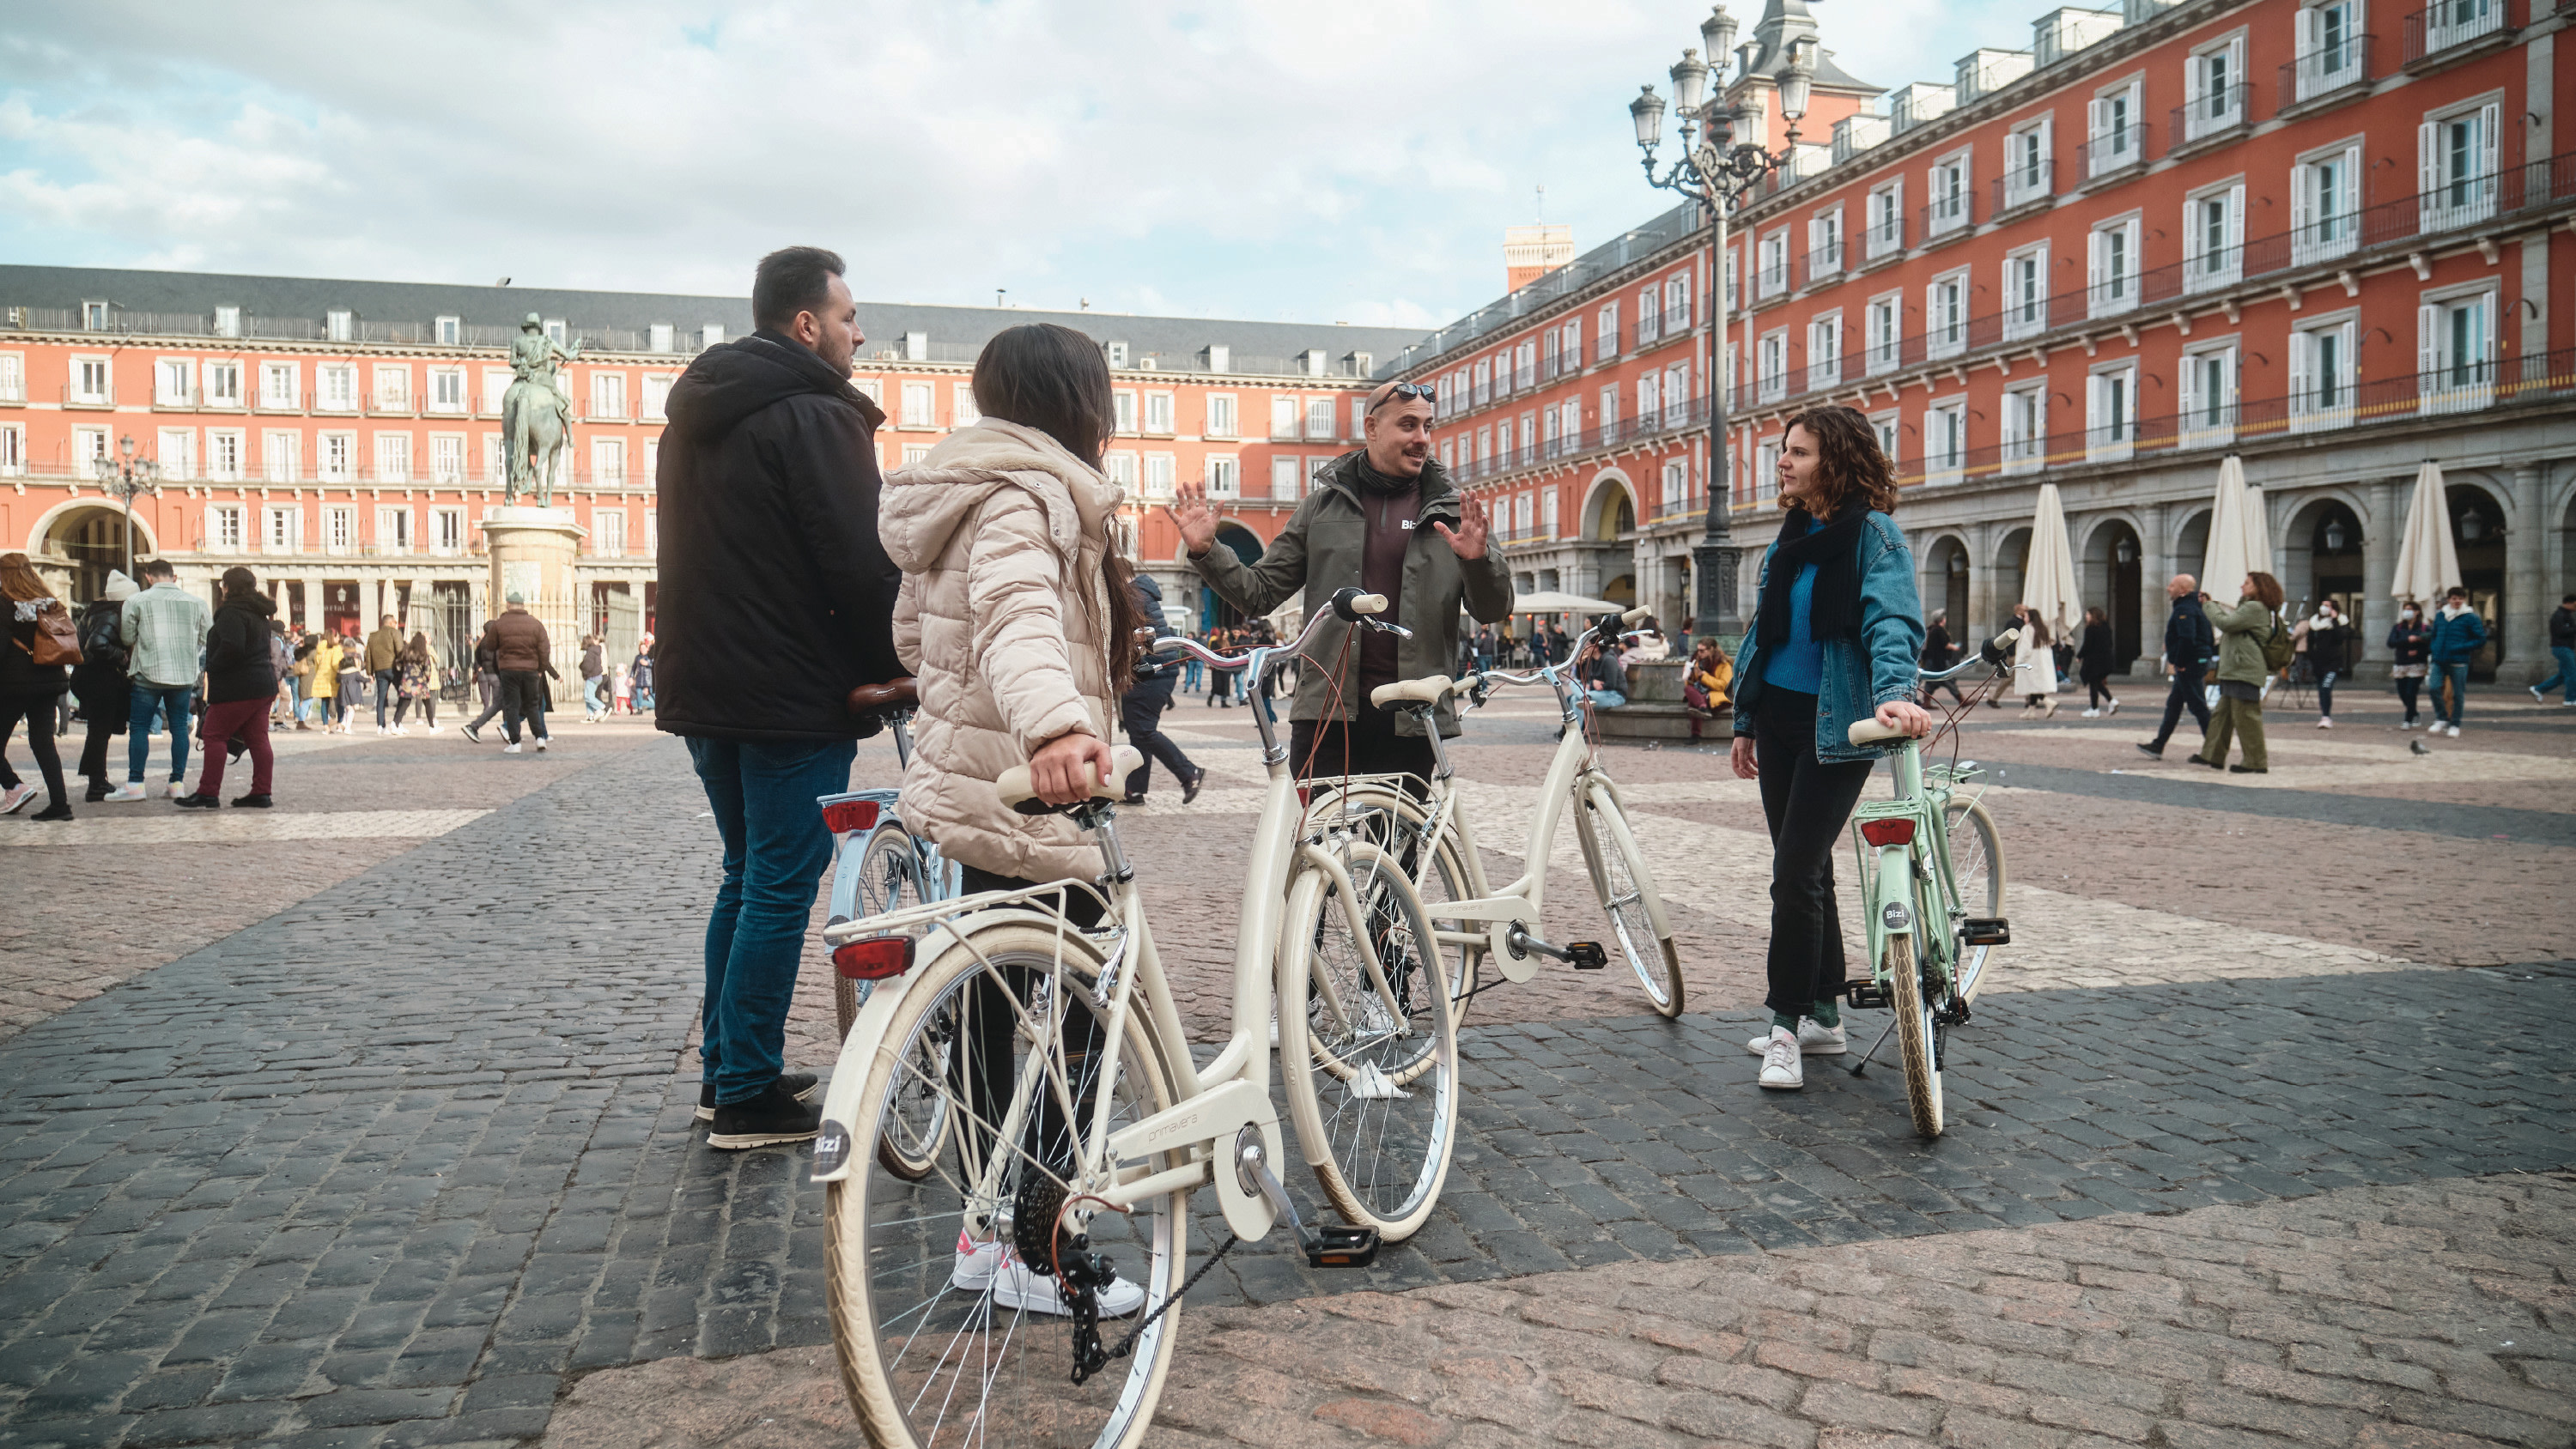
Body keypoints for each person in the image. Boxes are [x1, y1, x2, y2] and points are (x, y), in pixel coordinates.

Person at [878, 321, 1155, 1317]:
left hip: (976, 786)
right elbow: (1016, 614)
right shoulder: (1028, 493)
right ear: (1078, 402)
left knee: (998, 1014)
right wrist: (1052, 723)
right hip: (1030, 789)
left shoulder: (962, 486)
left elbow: (919, 631)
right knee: (1079, 1017)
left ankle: (984, 1231)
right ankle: (1041, 1244)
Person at [656, 246, 904, 1149]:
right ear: (806, 323)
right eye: (847, 316)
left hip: (708, 684)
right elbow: (858, 559)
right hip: (791, 688)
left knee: (745, 872)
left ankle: (730, 1066)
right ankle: (749, 1092)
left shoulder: (697, 414)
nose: (857, 331)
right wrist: (898, 656)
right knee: (778, 883)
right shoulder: (814, 414)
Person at [1727, 407, 1928, 1093]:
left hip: (1838, 725)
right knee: (1807, 871)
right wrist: (1746, 720)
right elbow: (1767, 637)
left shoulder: (1875, 538)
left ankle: (1784, 1025)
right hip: (1780, 719)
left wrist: (1897, 690)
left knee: (1793, 870)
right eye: (1785, 451)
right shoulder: (1790, 537)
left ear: (1836, 460)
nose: (1784, 461)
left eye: (1800, 452)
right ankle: (1822, 1014)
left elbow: (1891, 620)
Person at [1172, 378, 1509, 783]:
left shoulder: (1456, 513)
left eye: (1428, 426)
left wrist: (1478, 561)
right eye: (1408, 425)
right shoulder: (1320, 507)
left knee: (1395, 844)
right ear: (1371, 428)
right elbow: (1258, 594)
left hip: (1412, 713)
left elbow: (1493, 609)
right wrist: (1208, 551)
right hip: (1326, 712)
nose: (1422, 438)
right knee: (1313, 840)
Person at [106, 558, 210, 802]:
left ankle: (136, 783)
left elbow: (127, 635)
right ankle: (176, 783)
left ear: (148, 577)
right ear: (174, 577)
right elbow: (208, 636)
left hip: (147, 673)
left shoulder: (136, 601)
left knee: (140, 728)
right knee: (179, 729)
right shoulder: (197, 603)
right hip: (183, 675)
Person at [179, 567, 278, 809]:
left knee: (214, 734)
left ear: (227, 587)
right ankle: (261, 791)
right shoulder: (258, 613)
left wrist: (212, 666)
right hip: (263, 683)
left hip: (238, 685)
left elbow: (233, 646)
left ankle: (208, 792)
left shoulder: (232, 612)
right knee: (258, 739)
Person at [1118, 568, 1206, 804]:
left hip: (1150, 672)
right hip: (1156, 671)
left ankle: (1189, 772)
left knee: (1143, 730)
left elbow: (1128, 636)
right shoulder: (1141, 593)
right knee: (1139, 732)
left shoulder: (1133, 596)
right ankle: (1134, 790)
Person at [0, 553, 77, 821]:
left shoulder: (5, 604)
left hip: (14, 684)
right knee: (44, 744)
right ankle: (60, 805)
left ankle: (14, 786)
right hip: (49, 681)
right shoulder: (50, 603)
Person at [2193, 572, 2283, 773]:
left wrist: (2209, 605)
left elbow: (2226, 623)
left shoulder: (2255, 607)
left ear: (2259, 587)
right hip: (2236, 669)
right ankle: (2213, 755)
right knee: (2222, 715)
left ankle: (2256, 761)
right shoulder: (2251, 607)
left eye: (2247, 583)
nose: (2242, 586)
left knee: (2246, 717)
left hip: (2244, 669)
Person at [71, 571, 137, 801]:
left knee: (98, 731)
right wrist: (121, 656)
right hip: (101, 678)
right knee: (99, 732)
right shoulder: (111, 614)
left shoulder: (96, 611)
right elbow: (98, 644)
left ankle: (97, 780)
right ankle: (96, 783)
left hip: (90, 676)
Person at [2136, 573, 2214, 759]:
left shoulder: (2185, 609)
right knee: (2174, 705)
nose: (2168, 588)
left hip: (2190, 664)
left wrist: (2180, 662)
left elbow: (2187, 638)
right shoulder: (2195, 606)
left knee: (2198, 706)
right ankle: (2158, 744)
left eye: (2172, 585)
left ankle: (2214, 749)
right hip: (2194, 661)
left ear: (2183, 591)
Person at [474, 593, 555, 753]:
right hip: (531, 670)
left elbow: (489, 646)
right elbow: (545, 649)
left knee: (512, 705)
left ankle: (515, 743)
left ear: (509, 605)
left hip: (509, 670)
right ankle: (539, 738)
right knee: (532, 705)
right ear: (523, 605)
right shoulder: (535, 624)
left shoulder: (500, 624)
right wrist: (540, 669)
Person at [2426, 585, 2485, 737]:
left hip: (2458, 660)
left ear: (2464, 599)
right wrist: (2434, 648)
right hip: (2439, 659)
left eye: (2460, 598)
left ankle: (2455, 724)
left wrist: (2461, 648)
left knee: (2458, 694)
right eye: (2454, 598)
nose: (2457, 601)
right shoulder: (2441, 615)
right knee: (2433, 687)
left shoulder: (2470, 617)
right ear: (2449, 600)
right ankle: (2441, 718)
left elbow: (2480, 639)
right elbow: (2434, 634)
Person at [2303, 598, 2349, 728]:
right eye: (2323, 605)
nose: (2324, 608)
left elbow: (2341, 637)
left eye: (2327, 606)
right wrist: (2311, 656)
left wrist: (2334, 621)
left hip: (2333, 662)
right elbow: (2310, 642)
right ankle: (2324, 715)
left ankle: (2326, 716)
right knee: (2321, 690)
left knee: (2326, 687)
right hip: (2319, 662)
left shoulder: (2341, 621)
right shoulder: (2314, 623)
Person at [2388, 600, 2433, 728]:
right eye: (2405, 609)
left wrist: (2418, 651)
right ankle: (2414, 713)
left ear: (2417, 612)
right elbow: (2391, 642)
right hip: (2401, 663)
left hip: (2417, 664)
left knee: (2411, 692)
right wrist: (2407, 639)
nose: (2407, 612)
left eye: (2410, 609)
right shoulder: (2398, 627)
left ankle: (2407, 720)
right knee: (2402, 692)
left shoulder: (2425, 628)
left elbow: (2430, 645)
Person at [2012, 605, 2059, 718]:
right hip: (2041, 662)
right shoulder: (2042, 629)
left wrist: (2019, 661)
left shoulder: (2027, 629)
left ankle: (2048, 702)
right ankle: (2031, 710)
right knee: (2034, 686)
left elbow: (2025, 648)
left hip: (2030, 661)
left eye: (2026, 616)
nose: (2024, 618)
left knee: (2032, 685)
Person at [1684, 637, 1733, 742]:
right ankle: (1702, 707)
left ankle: (1695, 735)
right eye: (1698, 650)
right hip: (1702, 695)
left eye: (1702, 650)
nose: (1699, 653)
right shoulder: (1697, 662)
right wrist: (1689, 675)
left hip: (1717, 697)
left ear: (1711, 649)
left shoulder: (1724, 665)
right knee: (1688, 689)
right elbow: (1691, 684)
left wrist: (1703, 676)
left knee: (1694, 702)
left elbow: (1724, 686)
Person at [364, 613, 405, 734]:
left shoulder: (373, 636)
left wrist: (370, 672)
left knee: (381, 698)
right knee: (403, 695)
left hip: (379, 670)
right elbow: (400, 651)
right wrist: (403, 665)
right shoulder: (395, 633)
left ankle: (381, 726)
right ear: (391, 623)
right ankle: (397, 722)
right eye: (395, 623)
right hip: (393, 668)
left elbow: (369, 655)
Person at [2531, 594, 2576, 707]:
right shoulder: (2559, 615)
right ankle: (2570, 699)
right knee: (2572, 673)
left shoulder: (2565, 615)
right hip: (2562, 647)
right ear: (2569, 603)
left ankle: (2539, 689)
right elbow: (2561, 632)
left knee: (2562, 675)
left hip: (2564, 647)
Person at [461, 625, 504, 742]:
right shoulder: (494, 642)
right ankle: (474, 726)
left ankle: (509, 729)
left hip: (488, 673)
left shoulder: (483, 642)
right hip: (496, 674)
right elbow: (497, 659)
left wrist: (483, 666)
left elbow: (477, 656)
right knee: (499, 704)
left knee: (502, 703)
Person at [2076, 606, 2118, 717]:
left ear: (2093, 616)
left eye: (2088, 614)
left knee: (2094, 684)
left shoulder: (2091, 629)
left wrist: (2079, 656)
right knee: (2096, 683)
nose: (2086, 616)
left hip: (2094, 661)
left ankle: (2095, 708)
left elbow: (2087, 645)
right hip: (2106, 660)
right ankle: (2110, 701)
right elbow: (2110, 644)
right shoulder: (2106, 628)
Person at [394, 632, 440, 732]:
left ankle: (396, 723)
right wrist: (426, 680)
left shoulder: (406, 652)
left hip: (407, 680)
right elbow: (428, 670)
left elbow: (398, 664)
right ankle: (432, 726)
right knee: (427, 704)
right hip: (419, 681)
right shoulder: (423, 654)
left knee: (405, 702)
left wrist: (403, 675)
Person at [1918, 609, 1965, 706]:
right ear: (1942, 619)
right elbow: (1945, 645)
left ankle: (1926, 702)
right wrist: (1955, 647)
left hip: (1930, 659)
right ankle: (1961, 700)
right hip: (1939, 660)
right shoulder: (1939, 630)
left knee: (1930, 681)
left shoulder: (1930, 629)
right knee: (1948, 678)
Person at [580, 634, 607, 722]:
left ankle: (600, 707)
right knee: (588, 695)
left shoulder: (590, 652)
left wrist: (582, 668)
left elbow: (588, 665)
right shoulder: (596, 650)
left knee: (588, 696)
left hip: (592, 676)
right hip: (597, 676)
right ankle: (590, 715)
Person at [630, 633, 655, 713]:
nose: (642, 650)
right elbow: (633, 668)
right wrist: (631, 676)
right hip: (639, 677)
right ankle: (640, 708)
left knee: (652, 692)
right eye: (641, 648)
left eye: (644, 648)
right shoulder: (638, 657)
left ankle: (658, 705)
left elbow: (654, 665)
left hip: (648, 678)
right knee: (639, 693)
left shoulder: (649, 656)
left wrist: (647, 663)